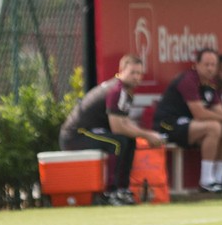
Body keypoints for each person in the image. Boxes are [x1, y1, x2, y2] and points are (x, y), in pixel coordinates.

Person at [59, 54, 165, 205]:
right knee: (117, 142)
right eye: (132, 72)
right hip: (75, 135)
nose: (136, 77)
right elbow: (117, 126)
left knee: (129, 140)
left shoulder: (125, 91)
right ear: (121, 71)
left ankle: (123, 189)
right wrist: (148, 135)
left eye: (139, 73)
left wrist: (145, 134)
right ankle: (110, 192)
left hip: (91, 133)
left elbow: (125, 122)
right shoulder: (117, 90)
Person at [153, 48, 222, 193]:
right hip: (167, 125)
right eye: (206, 64)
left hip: (188, 125)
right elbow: (199, 113)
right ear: (197, 64)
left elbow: (218, 110)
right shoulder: (188, 80)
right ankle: (206, 180)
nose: (210, 68)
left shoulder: (210, 84)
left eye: (213, 65)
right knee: (213, 127)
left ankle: (219, 179)